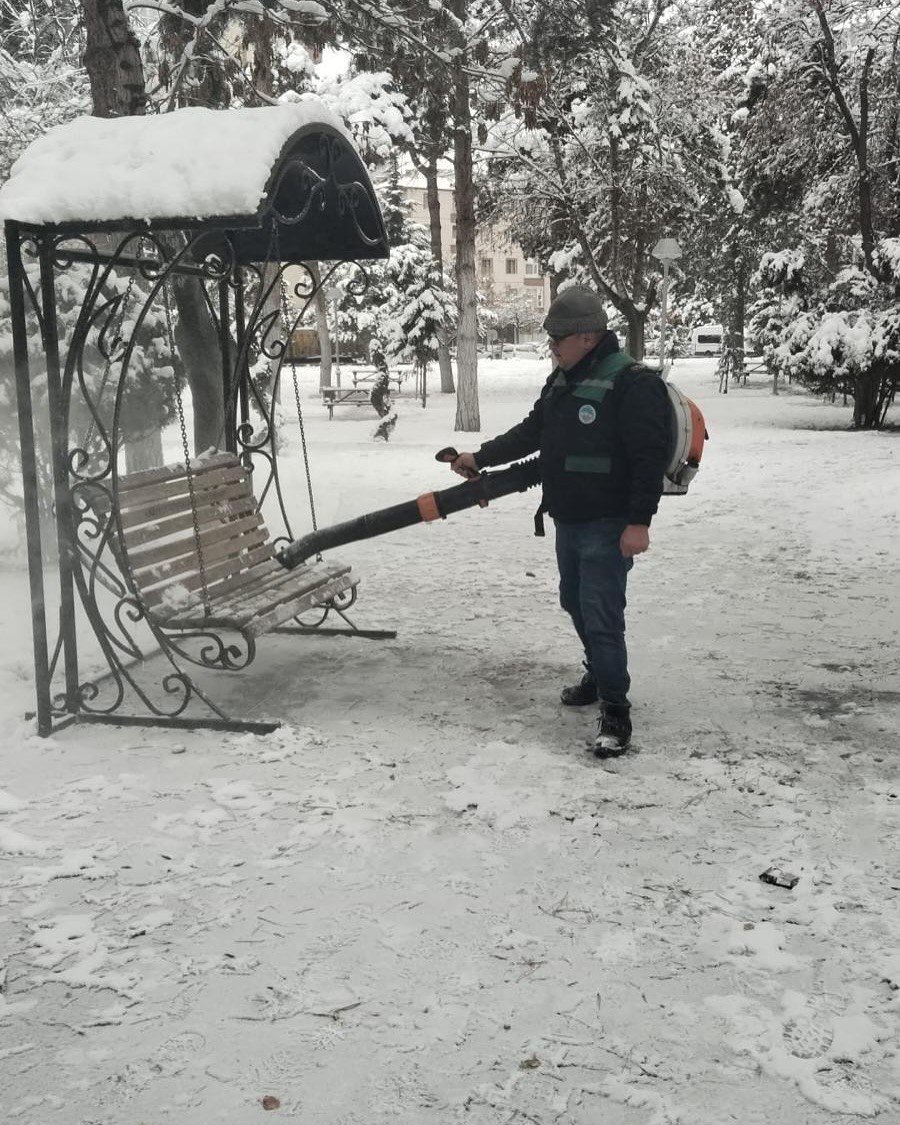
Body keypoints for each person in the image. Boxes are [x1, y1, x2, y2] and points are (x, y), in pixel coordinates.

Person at [449, 286, 671, 756]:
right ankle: (598, 672)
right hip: (568, 519)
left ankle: (616, 709)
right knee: (573, 600)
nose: (551, 346)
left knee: (602, 614)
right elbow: (534, 433)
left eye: (558, 338)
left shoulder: (634, 384)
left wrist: (640, 522)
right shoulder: (562, 381)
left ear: (588, 337)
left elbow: (648, 459)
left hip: (609, 524)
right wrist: (480, 457)